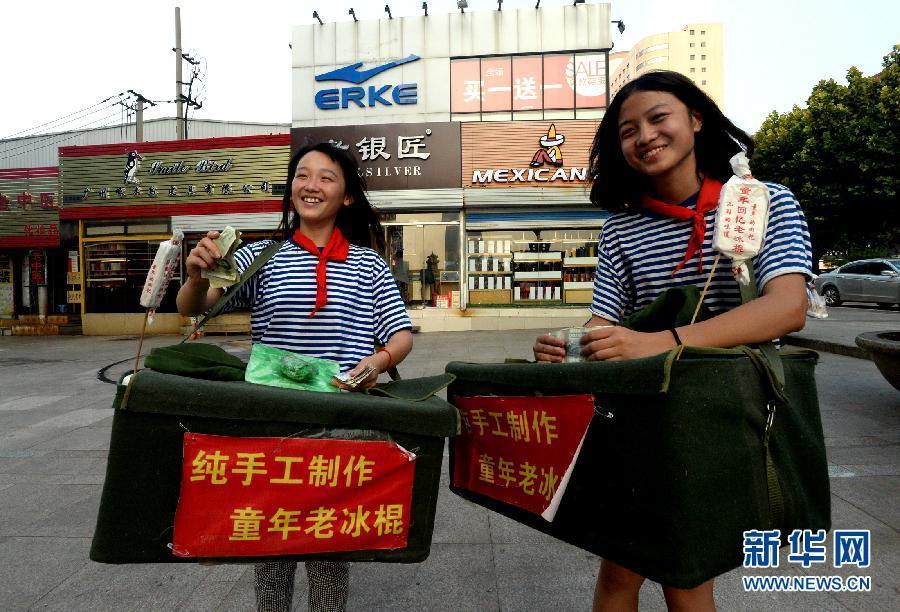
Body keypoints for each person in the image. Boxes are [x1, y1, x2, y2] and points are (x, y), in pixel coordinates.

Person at [532, 71, 812, 611]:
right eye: (627, 130)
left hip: (726, 419)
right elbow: (604, 322)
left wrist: (665, 340)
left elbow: (787, 307)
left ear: (696, 120)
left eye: (658, 118)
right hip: (644, 421)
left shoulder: (761, 202)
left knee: (684, 578)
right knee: (622, 575)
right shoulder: (621, 229)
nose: (644, 137)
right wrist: (572, 344)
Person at [177, 141, 414, 612]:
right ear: (291, 189)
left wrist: (376, 363)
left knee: (328, 546)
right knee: (271, 542)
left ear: (346, 195)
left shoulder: (368, 264)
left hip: (339, 420)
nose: (311, 185)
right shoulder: (263, 258)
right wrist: (197, 276)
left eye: (326, 177)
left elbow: (400, 335)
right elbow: (194, 310)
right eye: (302, 175)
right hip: (273, 420)